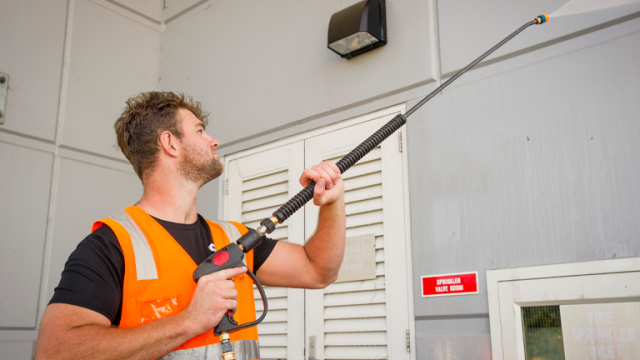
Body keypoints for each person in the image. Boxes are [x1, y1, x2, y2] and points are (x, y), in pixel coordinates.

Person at [34, 92, 346, 360]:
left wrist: (331, 203)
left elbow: (318, 270)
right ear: (169, 143)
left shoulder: (235, 239)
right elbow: (54, 351)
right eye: (199, 131)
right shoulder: (111, 245)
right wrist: (190, 321)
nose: (214, 140)